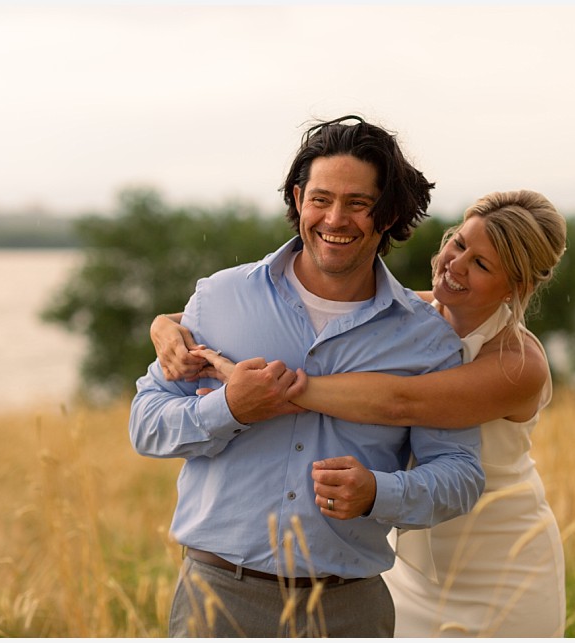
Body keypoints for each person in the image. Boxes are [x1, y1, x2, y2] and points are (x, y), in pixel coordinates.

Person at [129, 115, 485, 638]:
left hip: (349, 611)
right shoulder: (220, 297)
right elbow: (145, 424)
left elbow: (461, 475)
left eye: (358, 204)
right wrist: (228, 409)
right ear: (298, 199)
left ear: (385, 214)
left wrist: (379, 493)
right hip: (217, 600)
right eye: (320, 198)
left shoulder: (426, 341)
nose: (335, 218)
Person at [153, 189, 568, 637]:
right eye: (459, 243)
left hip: (499, 561)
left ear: (518, 286)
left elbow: (401, 402)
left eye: (482, 264)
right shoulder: (414, 313)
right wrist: (163, 327)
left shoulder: (518, 363)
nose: (456, 264)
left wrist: (269, 393)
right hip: (408, 556)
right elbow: (211, 316)